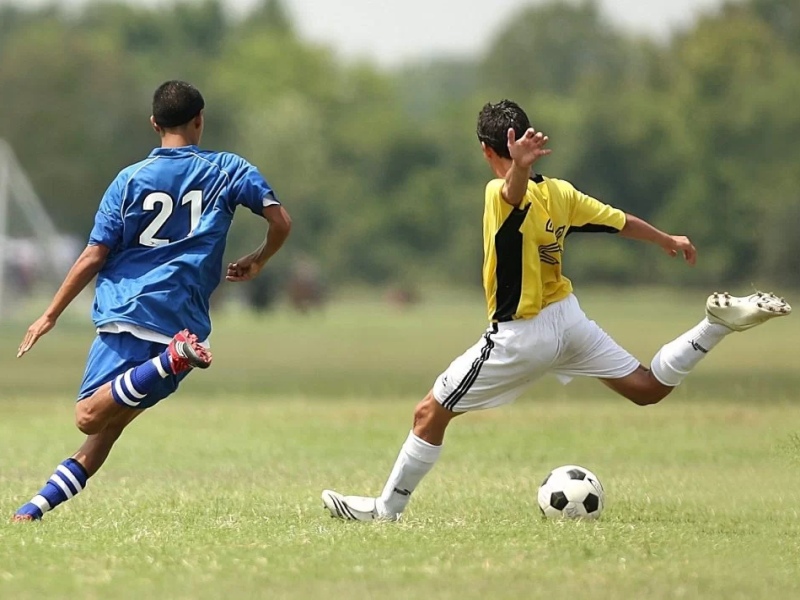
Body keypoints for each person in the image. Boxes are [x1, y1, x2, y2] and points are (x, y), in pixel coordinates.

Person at [321, 99, 791, 522]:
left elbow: (511, 195)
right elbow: (619, 221)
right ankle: (713, 326)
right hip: (568, 318)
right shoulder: (561, 193)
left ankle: (387, 510)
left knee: (429, 413)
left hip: (522, 334)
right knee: (647, 388)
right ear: (523, 139)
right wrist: (667, 238)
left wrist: (516, 170)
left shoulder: (497, 192)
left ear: (486, 151)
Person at [13, 80, 292, 521]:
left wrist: (49, 314)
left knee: (88, 416)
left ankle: (168, 360)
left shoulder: (129, 180)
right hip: (184, 319)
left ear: (154, 124)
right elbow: (280, 221)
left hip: (130, 311)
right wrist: (257, 260)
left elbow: (94, 254)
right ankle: (33, 509)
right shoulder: (228, 169)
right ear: (200, 120)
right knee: (107, 431)